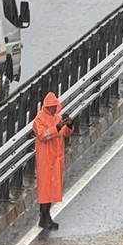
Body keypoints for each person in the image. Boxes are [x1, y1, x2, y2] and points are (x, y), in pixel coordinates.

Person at [32, 92, 74, 230]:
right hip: (45, 159)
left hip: (55, 159)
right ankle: (44, 217)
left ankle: (46, 216)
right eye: (51, 107)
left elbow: (64, 134)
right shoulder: (39, 120)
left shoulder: (57, 118)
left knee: (51, 189)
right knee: (46, 189)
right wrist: (58, 126)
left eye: (55, 106)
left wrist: (69, 125)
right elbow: (43, 135)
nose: (53, 109)